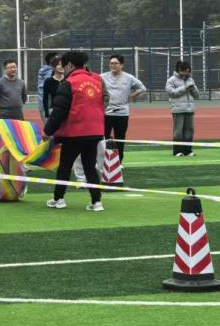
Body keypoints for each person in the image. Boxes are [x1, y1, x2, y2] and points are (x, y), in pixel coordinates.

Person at [43, 50, 104, 212]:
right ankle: (96, 201)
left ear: (70, 65)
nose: (63, 69)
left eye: (64, 66)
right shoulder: (96, 82)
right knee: (90, 167)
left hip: (74, 132)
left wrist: (48, 131)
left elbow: (59, 110)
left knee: (65, 166)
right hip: (94, 131)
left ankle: (58, 199)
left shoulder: (68, 83)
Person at [101, 54, 146, 161]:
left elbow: (142, 88)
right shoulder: (102, 77)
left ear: (121, 65)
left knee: (120, 139)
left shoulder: (129, 78)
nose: (113, 65)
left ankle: (119, 161)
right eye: (111, 63)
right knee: (103, 138)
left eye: (115, 63)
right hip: (106, 113)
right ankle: (102, 161)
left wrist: (131, 96)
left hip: (122, 113)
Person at [166, 61, 198, 157]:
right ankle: (177, 151)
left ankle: (188, 150)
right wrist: (185, 88)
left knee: (189, 130)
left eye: (188, 71)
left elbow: (196, 95)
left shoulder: (190, 79)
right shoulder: (171, 80)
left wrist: (193, 88)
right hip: (178, 109)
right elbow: (171, 93)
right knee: (178, 131)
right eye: (184, 71)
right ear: (179, 70)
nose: (186, 73)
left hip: (190, 109)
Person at [37, 52, 58, 118]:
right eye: (57, 59)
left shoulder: (43, 70)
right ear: (52, 60)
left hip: (44, 104)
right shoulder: (49, 72)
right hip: (47, 105)